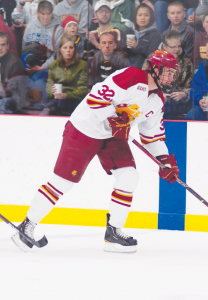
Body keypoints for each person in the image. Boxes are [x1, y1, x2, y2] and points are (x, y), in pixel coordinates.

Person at [11, 49, 180, 253]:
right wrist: (112, 117)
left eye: (173, 73)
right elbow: (96, 96)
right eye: (168, 72)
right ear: (154, 68)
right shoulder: (132, 76)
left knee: (129, 176)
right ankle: (26, 226)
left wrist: (165, 161)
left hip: (111, 135)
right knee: (63, 182)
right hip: (85, 128)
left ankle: (114, 233)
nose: (171, 77)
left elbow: (153, 136)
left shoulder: (157, 100)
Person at [45, 37, 88, 115]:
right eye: (65, 47)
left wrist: (66, 95)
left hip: (75, 99)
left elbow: (83, 90)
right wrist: (52, 92)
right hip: (57, 99)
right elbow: (49, 85)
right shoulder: (54, 65)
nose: (68, 50)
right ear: (61, 50)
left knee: (61, 103)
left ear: (74, 50)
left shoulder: (82, 65)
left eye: (71, 47)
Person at [156, 30, 193, 119]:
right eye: (173, 47)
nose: (176, 50)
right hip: (159, 103)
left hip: (180, 104)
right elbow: (145, 85)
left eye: (178, 46)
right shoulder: (153, 61)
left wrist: (184, 94)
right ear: (164, 46)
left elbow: (192, 87)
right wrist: (158, 94)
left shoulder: (186, 63)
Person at [126, 3, 161, 69]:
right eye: (140, 15)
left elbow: (152, 55)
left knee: (138, 59)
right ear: (135, 16)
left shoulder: (155, 34)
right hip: (128, 64)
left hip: (144, 66)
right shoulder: (130, 31)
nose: (142, 18)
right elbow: (124, 52)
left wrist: (137, 47)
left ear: (150, 17)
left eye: (146, 15)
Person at [0, 32, 27, 114]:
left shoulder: (15, 62)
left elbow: (10, 91)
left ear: (8, 46)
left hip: (13, 100)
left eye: (3, 45)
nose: (0, 48)